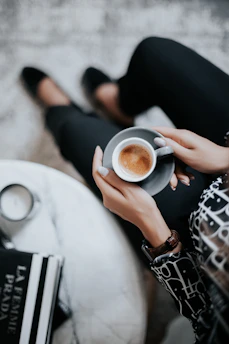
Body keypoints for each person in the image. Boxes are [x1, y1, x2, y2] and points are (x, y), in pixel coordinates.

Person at [21, 37, 229, 343]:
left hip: (195, 237)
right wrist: (225, 158)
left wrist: (157, 235)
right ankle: (119, 105)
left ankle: (60, 112)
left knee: (78, 134)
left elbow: (203, 319)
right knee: (153, 53)